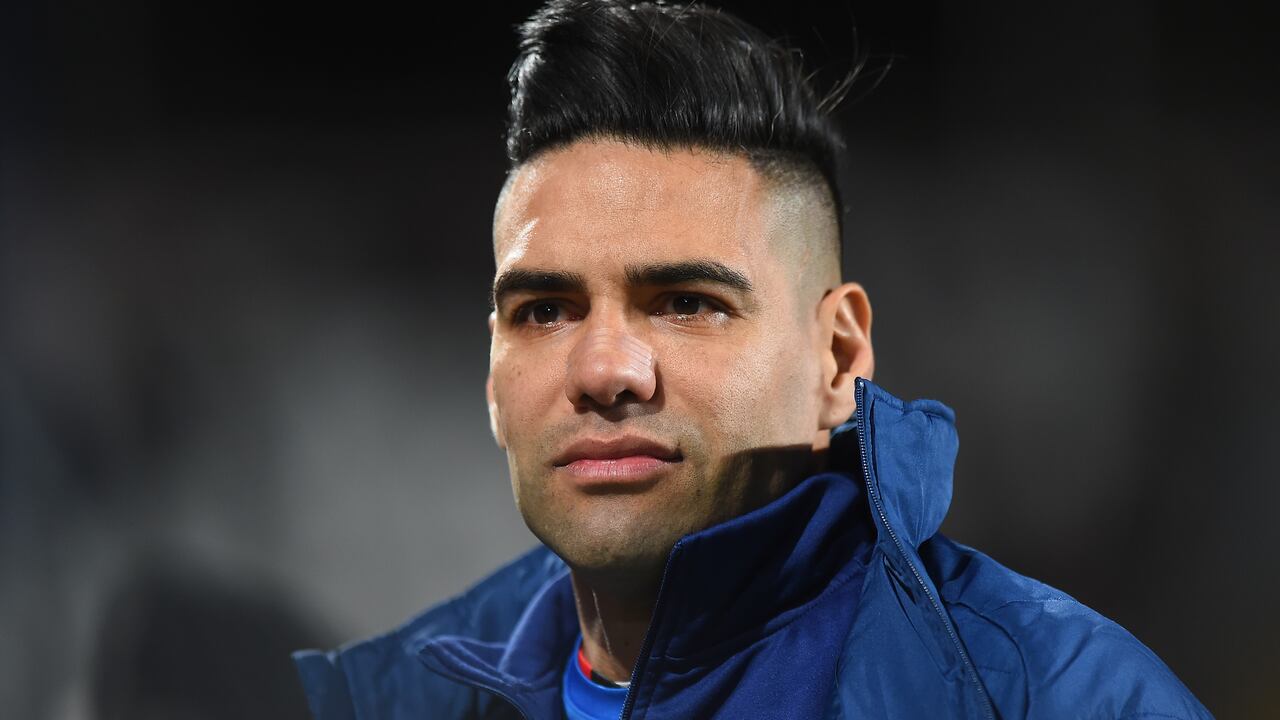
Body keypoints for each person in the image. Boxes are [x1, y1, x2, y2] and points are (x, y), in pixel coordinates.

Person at [292, 1, 1212, 717]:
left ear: (837, 359)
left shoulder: (1064, 700)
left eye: (687, 304)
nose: (605, 368)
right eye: (545, 310)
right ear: (493, 379)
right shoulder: (368, 705)